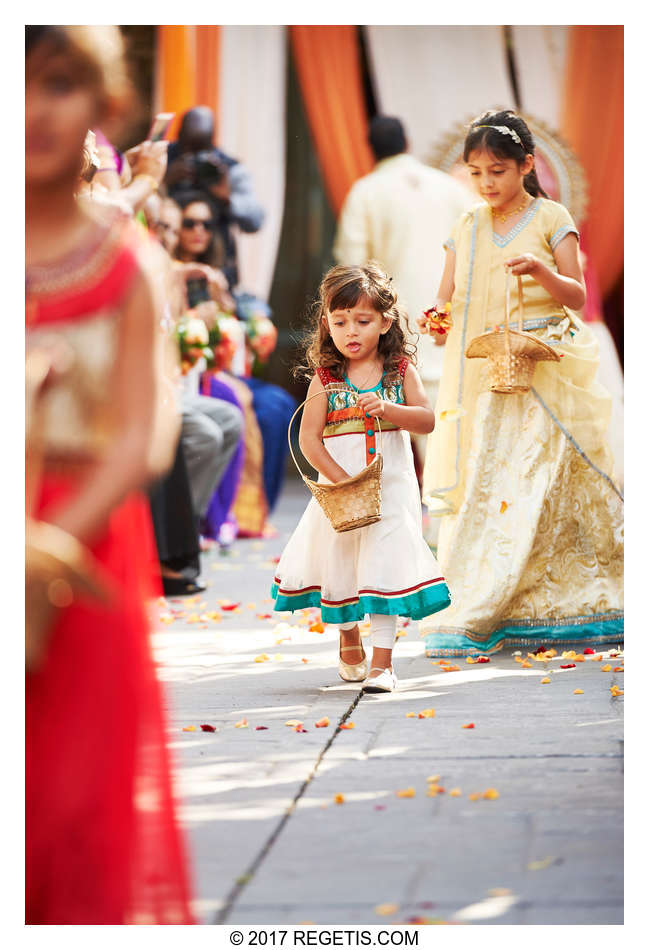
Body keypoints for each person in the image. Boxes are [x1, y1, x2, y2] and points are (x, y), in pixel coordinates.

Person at [25, 25, 194, 922]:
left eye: (55, 84)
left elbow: (145, 434)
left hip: (80, 557)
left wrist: (44, 546)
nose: (29, 110)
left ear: (105, 110)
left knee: (66, 809)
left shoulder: (127, 261)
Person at [418, 110, 624, 656]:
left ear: (527, 165)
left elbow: (576, 297)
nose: (487, 183)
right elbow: (446, 298)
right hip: (491, 371)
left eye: (498, 171)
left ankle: (566, 598)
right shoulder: (465, 226)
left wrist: (540, 272)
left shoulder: (551, 217)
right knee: (494, 484)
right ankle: (486, 598)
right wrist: (434, 318)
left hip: (546, 367)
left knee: (546, 480)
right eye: (476, 173)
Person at [271, 263, 451, 693]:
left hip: (390, 492)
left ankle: (383, 665)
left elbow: (426, 420)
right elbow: (309, 440)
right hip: (341, 494)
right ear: (326, 324)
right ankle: (349, 634)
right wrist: (340, 482)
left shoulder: (399, 370)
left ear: (385, 322)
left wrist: (389, 410)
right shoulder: (326, 379)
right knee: (343, 563)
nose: (351, 331)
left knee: (384, 567)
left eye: (363, 321)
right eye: (340, 321)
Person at [333, 116, 474, 472]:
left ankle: (437, 497)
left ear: (371, 149)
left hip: (397, 318)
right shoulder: (449, 187)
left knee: (412, 400)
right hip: (449, 314)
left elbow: (351, 265)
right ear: (407, 142)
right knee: (453, 406)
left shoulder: (366, 191)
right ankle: (453, 496)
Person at [166, 105, 265, 290]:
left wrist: (227, 198)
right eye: (188, 149)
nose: (195, 159)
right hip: (166, 263)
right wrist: (163, 181)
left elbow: (255, 221)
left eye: (201, 149)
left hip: (217, 267)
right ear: (178, 137)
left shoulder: (228, 169)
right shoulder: (162, 159)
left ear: (212, 141)